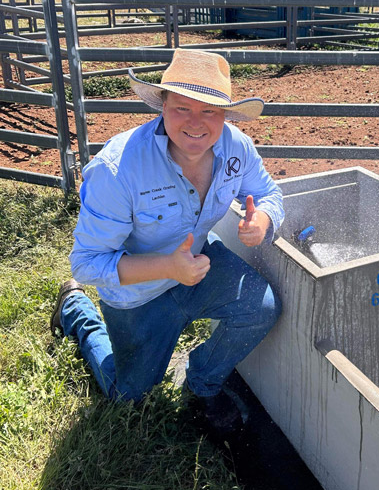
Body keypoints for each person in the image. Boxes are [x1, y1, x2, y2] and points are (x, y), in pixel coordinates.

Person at [50, 49, 284, 438]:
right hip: (137, 293)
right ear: (162, 106)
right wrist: (168, 268)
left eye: (209, 110)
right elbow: (87, 263)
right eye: (182, 108)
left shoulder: (236, 148)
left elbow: (268, 193)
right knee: (128, 394)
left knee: (260, 307)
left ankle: (202, 383)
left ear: (225, 114)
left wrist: (261, 219)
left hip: (196, 263)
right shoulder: (119, 168)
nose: (196, 123)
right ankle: (75, 310)